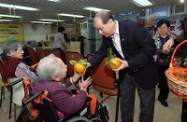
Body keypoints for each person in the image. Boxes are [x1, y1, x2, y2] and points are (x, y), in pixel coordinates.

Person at [86, 11, 159, 122]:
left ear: (111, 22)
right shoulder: (107, 36)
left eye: (101, 28)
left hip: (144, 72)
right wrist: (90, 63)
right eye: (97, 30)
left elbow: (149, 49)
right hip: (126, 74)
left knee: (146, 108)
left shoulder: (133, 27)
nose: (100, 32)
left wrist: (128, 63)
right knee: (125, 106)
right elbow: (102, 51)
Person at [153, 19, 176, 107]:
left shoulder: (172, 39)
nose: (162, 29)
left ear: (168, 28)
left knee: (165, 83)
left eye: (164, 27)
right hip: (155, 64)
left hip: (168, 65)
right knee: (153, 81)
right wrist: (161, 51)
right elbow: (150, 50)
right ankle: (150, 97)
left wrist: (170, 50)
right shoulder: (153, 38)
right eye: (159, 27)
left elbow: (177, 50)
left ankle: (162, 97)